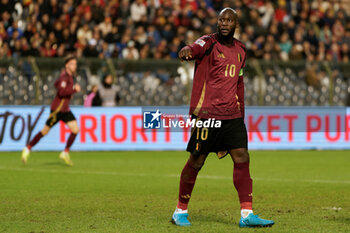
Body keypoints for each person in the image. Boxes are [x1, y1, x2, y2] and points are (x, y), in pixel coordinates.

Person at [171, 8, 275, 228]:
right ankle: (180, 210)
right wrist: (186, 50)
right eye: (221, 20)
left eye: (229, 20)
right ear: (217, 22)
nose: (224, 23)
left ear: (236, 24)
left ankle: (247, 214)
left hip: (232, 115)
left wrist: (241, 114)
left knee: (242, 157)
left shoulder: (241, 50)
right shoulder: (208, 43)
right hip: (207, 114)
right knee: (196, 161)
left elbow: (239, 84)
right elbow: (194, 47)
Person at [21, 55, 81, 166]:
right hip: (57, 110)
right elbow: (61, 92)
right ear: (67, 65)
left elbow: (58, 86)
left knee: (75, 130)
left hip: (65, 110)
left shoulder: (69, 77)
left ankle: (65, 152)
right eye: (72, 64)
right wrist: (74, 90)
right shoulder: (65, 77)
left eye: (75, 64)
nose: (75, 66)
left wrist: (69, 91)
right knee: (45, 131)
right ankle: (27, 148)